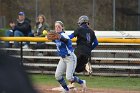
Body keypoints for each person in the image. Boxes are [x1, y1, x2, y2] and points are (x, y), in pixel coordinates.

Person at [50, 21, 87, 93]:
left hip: (70, 58)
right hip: (62, 59)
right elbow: (54, 40)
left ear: (62, 27)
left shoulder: (64, 35)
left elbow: (66, 41)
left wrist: (59, 37)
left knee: (69, 77)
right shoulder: (56, 36)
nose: (57, 28)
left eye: (59, 26)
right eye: (56, 26)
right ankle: (66, 90)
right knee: (57, 76)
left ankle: (82, 82)